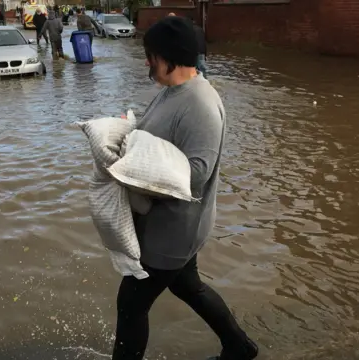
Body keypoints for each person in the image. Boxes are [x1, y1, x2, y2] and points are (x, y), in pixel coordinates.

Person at [111, 16, 259, 360]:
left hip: (174, 229)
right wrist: (128, 135)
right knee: (188, 286)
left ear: (169, 57)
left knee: (131, 304)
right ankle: (239, 347)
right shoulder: (173, 92)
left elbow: (196, 175)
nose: (148, 62)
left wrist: (135, 172)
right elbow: (159, 141)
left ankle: (239, 346)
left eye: (151, 56)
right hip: (171, 226)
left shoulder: (200, 104)